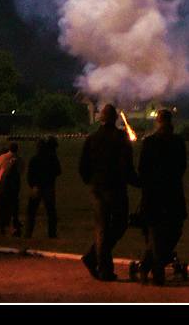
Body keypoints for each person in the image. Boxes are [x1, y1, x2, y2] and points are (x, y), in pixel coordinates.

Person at [79, 103, 139, 282]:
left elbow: (83, 167)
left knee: (102, 228)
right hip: (116, 189)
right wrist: (139, 183)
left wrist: (91, 181)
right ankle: (102, 267)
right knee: (118, 225)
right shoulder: (121, 138)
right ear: (115, 119)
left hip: (97, 188)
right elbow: (127, 167)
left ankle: (95, 259)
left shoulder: (92, 138)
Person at [133, 108, 187, 286]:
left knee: (156, 234)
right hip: (171, 193)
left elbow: (142, 169)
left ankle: (148, 266)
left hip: (154, 194)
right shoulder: (178, 142)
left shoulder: (150, 143)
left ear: (158, 121)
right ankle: (156, 270)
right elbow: (182, 167)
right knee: (172, 231)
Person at [25, 137, 62, 240]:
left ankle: (28, 233)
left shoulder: (34, 159)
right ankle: (52, 234)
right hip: (48, 187)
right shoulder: (52, 158)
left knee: (31, 212)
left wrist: (33, 186)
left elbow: (29, 175)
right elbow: (58, 171)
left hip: (36, 187)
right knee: (51, 212)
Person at [0, 140, 24, 236]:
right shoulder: (20, 160)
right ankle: (15, 227)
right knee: (14, 207)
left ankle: (1, 227)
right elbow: (21, 172)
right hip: (14, 187)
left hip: (2, 186)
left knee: (2, 207)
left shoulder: (2, 157)